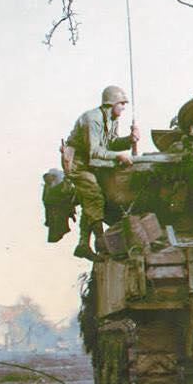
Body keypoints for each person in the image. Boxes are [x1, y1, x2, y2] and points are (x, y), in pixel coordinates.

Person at [62, 85, 139, 260]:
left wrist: (129, 140)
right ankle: (100, 240)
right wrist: (119, 156)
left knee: (91, 199)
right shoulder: (93, 119)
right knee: (94, 195)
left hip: (94, 163)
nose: (124, 107)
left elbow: (110, 143)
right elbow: (94, 152)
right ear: (111, 103)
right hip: (79, 164)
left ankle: (83, 244)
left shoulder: (112, 118)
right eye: (121, 103)